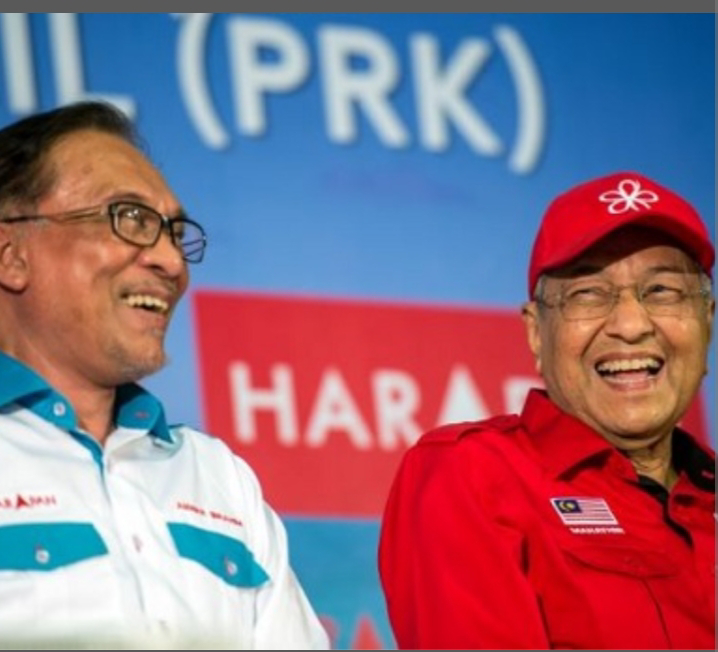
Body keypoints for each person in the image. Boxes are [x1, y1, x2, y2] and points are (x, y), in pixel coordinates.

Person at [0, 101, 330, 650]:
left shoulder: (218, 477)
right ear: (11, 255)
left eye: (175, 234)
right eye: (129, 218)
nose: (172, 262)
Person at [378, 171, 715, 649]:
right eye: (588, 293)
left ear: (707, 322)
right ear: (537, 332)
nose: (631, 324)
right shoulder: (474, 474)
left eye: (662, 291)